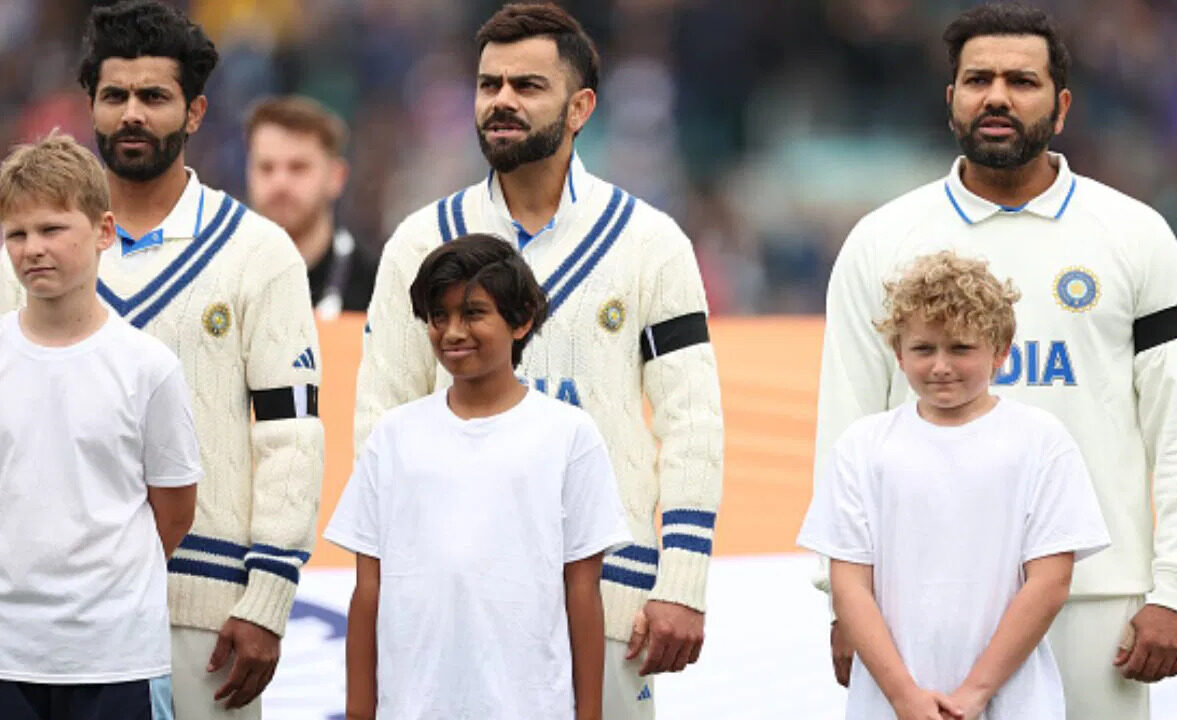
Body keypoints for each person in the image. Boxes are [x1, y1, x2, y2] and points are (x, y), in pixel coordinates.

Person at [810, 4, 1177, 718]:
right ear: (950, 99)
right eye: (977, 80)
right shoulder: (882, 239)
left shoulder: (1135, 234)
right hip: (917, 602)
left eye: (1021, 81)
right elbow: (846, 425)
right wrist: (839, 602)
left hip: (1095, 597)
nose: (997, 97)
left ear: (1062, 106)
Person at [355, 4, 724, 717]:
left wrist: (681, 580)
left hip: (612, 597)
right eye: (488, 84)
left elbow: (692, 422)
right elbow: (380, 424)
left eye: (527, 86)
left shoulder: (649, 243)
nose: (501, 101)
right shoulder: (419, 242)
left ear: (580, 107)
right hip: (449, 604)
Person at [78, 2, 324, 718]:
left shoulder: (258, 253)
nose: (132, 114)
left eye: (154, 96)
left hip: (207, 614)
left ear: (194, 113)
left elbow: (290, 436)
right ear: (91, 105)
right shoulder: (31, 252)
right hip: (56, 611)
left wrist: (267, 597)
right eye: (115, 95)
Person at [326, 233, 631, 720]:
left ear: (521, 319)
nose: (452, 332)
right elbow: (368, 591)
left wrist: (588, 714)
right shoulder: (393, 436)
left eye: (472, 314)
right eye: (438, 316)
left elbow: (583, 592)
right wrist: (359, 711)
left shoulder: (569, 435)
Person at [799, 251, 1111, 720]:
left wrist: (974, 693)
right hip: (889, 705)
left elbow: (1050, 581)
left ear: (1000, 351)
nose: (941, 365)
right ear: (898, 353)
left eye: (961, 348)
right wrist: (904, 697)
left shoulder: (1041, 441)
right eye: (924, 349)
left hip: (1014, 703)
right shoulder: (862, 447)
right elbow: (849, 587)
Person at [0, 131, 200, 719]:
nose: (33, 249)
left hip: (117, 657)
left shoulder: (148, 368)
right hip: (9, 653)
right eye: (17, 234)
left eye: (52, 229)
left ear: (104, 231)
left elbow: (174, 512)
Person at [244, 95, 377, 319]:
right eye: (266, 167)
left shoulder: (380, 292)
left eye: (298, 167)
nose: (280, 183)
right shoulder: (217, 282)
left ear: (336, 177)